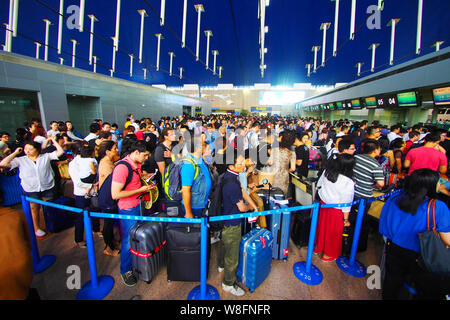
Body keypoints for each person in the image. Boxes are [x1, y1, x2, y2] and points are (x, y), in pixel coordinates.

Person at [379, 169, 450, 299]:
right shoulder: (438, 207)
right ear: (431, 186)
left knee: (391, 282)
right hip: (421, 254)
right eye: (439, 181)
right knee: (423, 288)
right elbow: (447, 240)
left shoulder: (396, 196)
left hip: (393, 247)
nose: (442, 183)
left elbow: (384, 221)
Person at [111, 141, 155, 286]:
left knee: (137, 236)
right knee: (128, 240)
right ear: (136, 153)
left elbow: (135, 180)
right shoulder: (122, 167)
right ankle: (125, 270)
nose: (146, 158)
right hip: (128, 208)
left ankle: (137, 262)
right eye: (145, 155)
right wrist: (141, 190)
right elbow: (115, 194)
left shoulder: (136, 164)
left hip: (138, 204)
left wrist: (146, 181)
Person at [0, 138, 64, 238]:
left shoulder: (45, 156)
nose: (27, 151)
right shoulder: (20, 160)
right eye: (26, 149)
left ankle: (53, 225)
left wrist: (53, 140)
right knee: (34, 208)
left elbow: (60, 152)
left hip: (47, 186)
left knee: (49, 207)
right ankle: (36, 227)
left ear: (37, 149)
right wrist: (15, 153)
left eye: (30, 149)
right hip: (31, 188)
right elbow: (3, 164)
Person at [218, 150, 258, 296]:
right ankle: (228, 283)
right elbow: (241, 208)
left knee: (225, 246)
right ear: (231, 164)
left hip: (225, 218)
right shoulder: (232, 183)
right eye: (240, 162)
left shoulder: (230, 175)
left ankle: (221, 265)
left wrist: (254, 206)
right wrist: (250, 208)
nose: (244, 165)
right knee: (232, 257)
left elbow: (243, 191)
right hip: (232, 222)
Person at [314, 154, 355, 261]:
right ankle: (328, 254)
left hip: (323, 205)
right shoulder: (348, 182)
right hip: (336, 211)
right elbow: (347, 203)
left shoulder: (327, 172)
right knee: (333, 233)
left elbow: (319, 186)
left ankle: (318, 248)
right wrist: (346, 220)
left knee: (321, 228)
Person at [68, 144, 102, 248]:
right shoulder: (74, 164)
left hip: (93, 191)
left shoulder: (91, 159)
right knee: (81, 215)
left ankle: (96, 229)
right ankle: (78, 239)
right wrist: (92, 185)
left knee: (95, 210)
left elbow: (96, 173)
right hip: (81, 193)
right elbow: (77, 181)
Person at [180, 133, 212, 219]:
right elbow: (185, 190)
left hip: (202, 203)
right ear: (198, 148)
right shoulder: (189, 165)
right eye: (202, 144)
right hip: (194, 207)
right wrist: (188, 212)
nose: (204, 146)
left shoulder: (200, 161)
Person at [98, 140, 120, 256]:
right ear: (107, 151)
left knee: (110, 222)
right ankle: (108, 248)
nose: (117, 150)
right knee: (108, 224)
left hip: (110, 196)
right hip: (107, 198)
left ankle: (111, 241)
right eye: (114, 148)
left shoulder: (109, 162)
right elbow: (111, 182)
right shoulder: (106, 164)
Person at [267, 130, 296, 195]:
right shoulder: (292, 152)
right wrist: (286, 171)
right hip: (284, 176)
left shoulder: (275, 149)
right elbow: (293, 168)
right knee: (282, 195)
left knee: (272, 194)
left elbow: (270, 162)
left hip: (273, 175)